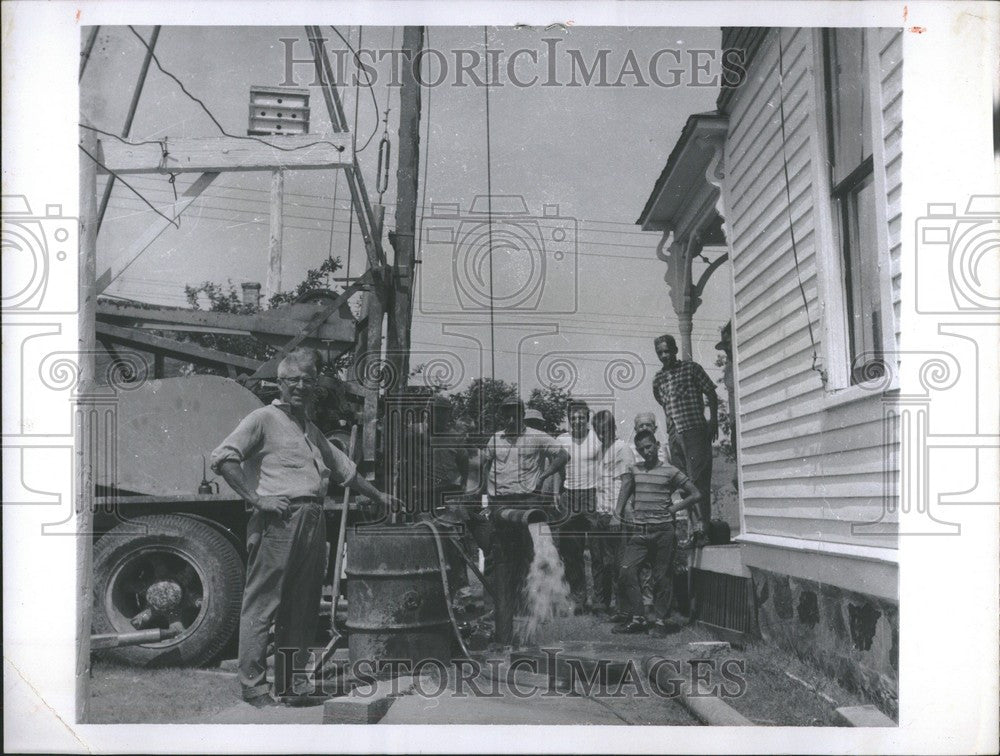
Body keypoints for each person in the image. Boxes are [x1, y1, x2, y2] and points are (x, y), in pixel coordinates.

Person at [211, 347, 400, 708]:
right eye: (293, 380)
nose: (300, 386)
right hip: (278, 520)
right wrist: (257, 498)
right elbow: (223, 458)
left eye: (307, 381)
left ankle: (291, 685)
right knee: (262, 605)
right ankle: (254, 688)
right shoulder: (262, 418)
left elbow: (347, 472)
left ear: (315, 387)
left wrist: (380, 497)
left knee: (301, 608)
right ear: (280, 383)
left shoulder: (311, 431)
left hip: (313, 519)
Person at [479, 397, 566, 645]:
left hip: (528, 504)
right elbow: (483, 466)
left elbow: (562, 455)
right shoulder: (495, 439)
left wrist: (547, 474)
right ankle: (503, 634)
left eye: (514, 413)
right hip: (501, 506)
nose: (509, 418)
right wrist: (483, 498)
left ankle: (532, 632)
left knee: (530, 564)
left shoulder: (537, 436)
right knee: (501, 566)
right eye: (505, 413)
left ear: (521, 414)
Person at [613, 429, 701, 636]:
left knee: (662, 577)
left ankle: (661, 622)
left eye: (649, 446)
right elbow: (625, 492)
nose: (646, 452)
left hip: (663, 531)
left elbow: (696, 494)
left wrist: (674, 509)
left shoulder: (670, 471)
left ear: (657, 445)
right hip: (640, 531)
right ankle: (638, 618)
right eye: (642, 449)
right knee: (626, 571)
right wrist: (619, 513)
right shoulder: (634, 470)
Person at [652, 334, 719, 527]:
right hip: (675, 435)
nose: (664, 355)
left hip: (694, 431)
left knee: (698, 482)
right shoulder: (658, 379)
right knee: (683, 483)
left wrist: (713, 420)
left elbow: (711, 393)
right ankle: (693, 529)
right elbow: (663, 404)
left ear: (674, 350)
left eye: (667, 351)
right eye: (660, 353)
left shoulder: (691, 368)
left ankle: (703, 528)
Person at [549, 400, 604, 613]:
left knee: (599, 551)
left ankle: (601, 600)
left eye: (581, 417)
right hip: (569, 496)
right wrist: (556, 492)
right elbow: (556, 468)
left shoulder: (597, 438)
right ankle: (578, 598)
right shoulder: (561, 440)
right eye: (573, 418)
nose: (577, 421)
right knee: (572, 552)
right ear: (569, 420)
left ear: (587, 418)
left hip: (593, 495)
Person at [591, 410, 634, 618]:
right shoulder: (600, 451)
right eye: (599, 431)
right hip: (602, 513)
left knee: (620, 564)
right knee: (607, 564)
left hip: (617, 514)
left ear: (613, 427)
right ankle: (613, 606)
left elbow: (627, 482)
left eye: (605, 430)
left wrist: (617, 514)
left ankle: (624, 608)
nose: (602, 434)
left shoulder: (622, 448)